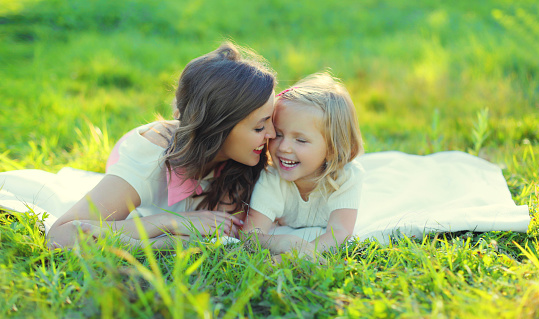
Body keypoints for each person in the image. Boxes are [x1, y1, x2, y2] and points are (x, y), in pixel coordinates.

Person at [46, 41, 277, 249]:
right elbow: (61, 235)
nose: (273, 134)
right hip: (159, 158)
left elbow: (224, 235)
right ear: (219, 129)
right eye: (259, 127)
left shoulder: (242, 160)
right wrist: (170, 222)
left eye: (271, 121)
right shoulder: (148, 159)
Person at [242, 72, 364, 258]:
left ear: (332, 149)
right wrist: (284, 242)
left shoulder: (346, 177)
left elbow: (340, 233)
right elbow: (250, 236)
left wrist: (299, 255)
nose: (284, 147)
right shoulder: (272, 178)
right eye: (279, 134)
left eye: (300, 140)